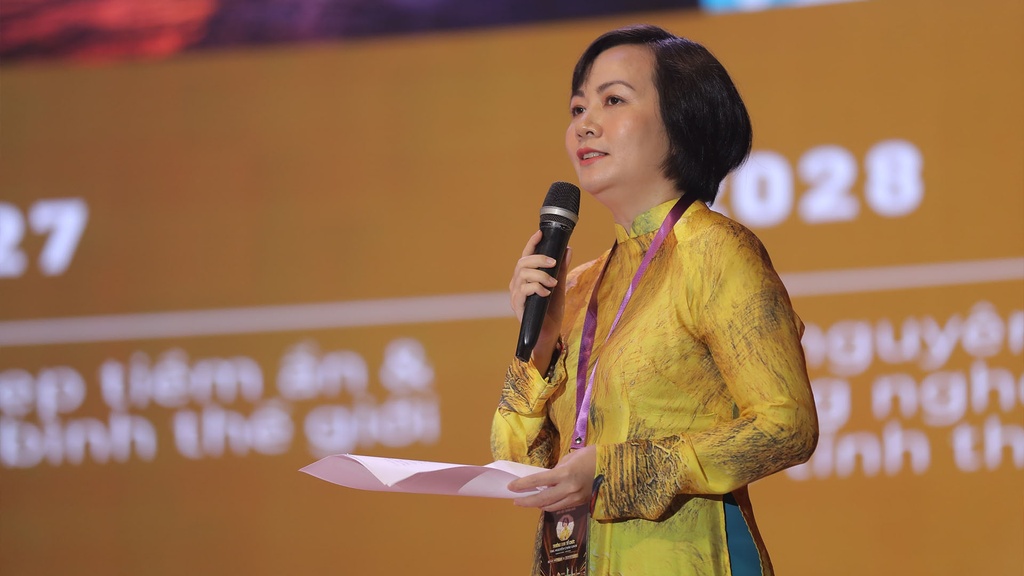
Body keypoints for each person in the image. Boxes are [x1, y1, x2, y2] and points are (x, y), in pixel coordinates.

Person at [491, 24, 819, 576]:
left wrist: (616, 472)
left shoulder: (715, 250)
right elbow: (517, 463)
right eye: (577, 108)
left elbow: (787, 427)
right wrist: (540, 345)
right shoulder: (577, 285)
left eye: (613, 100)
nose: (584, 124)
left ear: (682, 120)